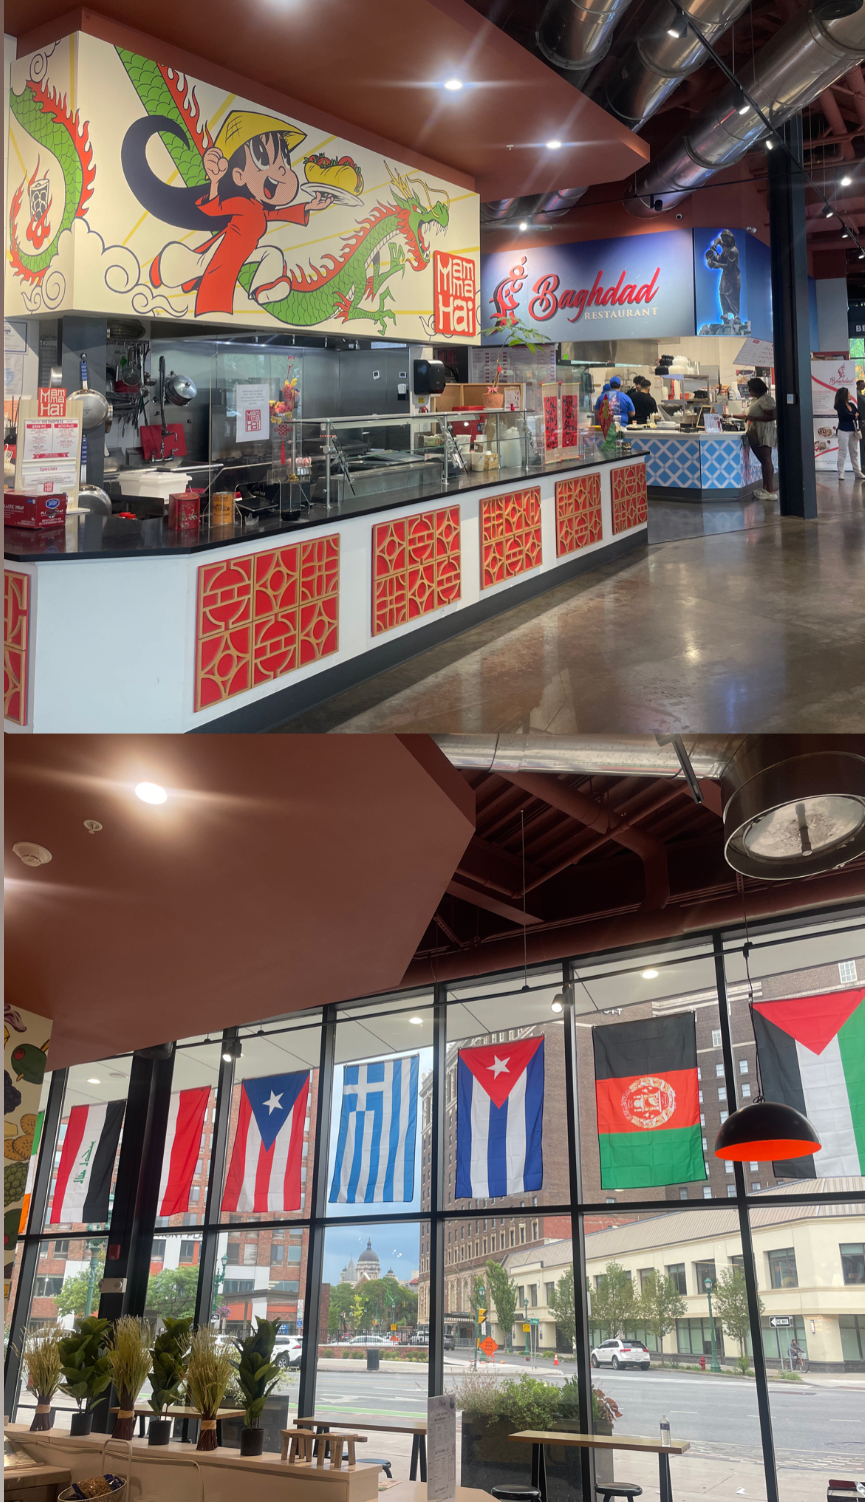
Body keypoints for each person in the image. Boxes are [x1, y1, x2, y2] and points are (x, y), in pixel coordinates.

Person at [745, 377, 778, 498]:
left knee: (766, 460)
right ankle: (766, 488)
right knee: (765, 461)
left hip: (763, 432)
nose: (749, 391)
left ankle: (770, 490)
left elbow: (773, 415)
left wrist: (755, 418)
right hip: (758, 431)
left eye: (750, 389)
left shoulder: (766, 399)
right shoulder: (757, 399)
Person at [834, 386, 863, 479]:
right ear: (844, 395)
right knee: (843, 451)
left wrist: (853, 415)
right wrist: (854, 415)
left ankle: (857, 471)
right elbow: (845, 416)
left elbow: (859, 415)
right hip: (843, 431)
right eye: (848, 393)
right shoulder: (840, 405)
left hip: (853, 431)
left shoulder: (852, 405)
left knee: (854, 452)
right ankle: (841, 472)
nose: (850, 395)